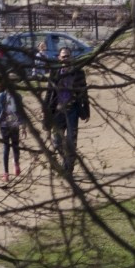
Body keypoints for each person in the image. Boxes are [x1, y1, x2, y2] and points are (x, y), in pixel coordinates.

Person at [42, 46, 89, 178]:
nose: (65, 59)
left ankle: (68, 168)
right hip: (58, 112)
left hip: (73, 110)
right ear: (59, 58)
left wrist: (86, 110)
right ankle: (66, 161)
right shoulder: (55, 73)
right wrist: (45, 111)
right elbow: (49, 92)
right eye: (63, 57)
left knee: (71, 141)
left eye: (68, 56)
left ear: (71, 57)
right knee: (57, 142)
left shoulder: (78, 73)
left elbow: (84, 92)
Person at [0, 78, 26, 182]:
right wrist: (23, 126)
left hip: (6, 124)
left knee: (7, 147)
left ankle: (7, 173)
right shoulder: (16, 96)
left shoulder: (3, 96)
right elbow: (21, 112)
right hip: (12, 124)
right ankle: (15, 165)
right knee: (15, 146)